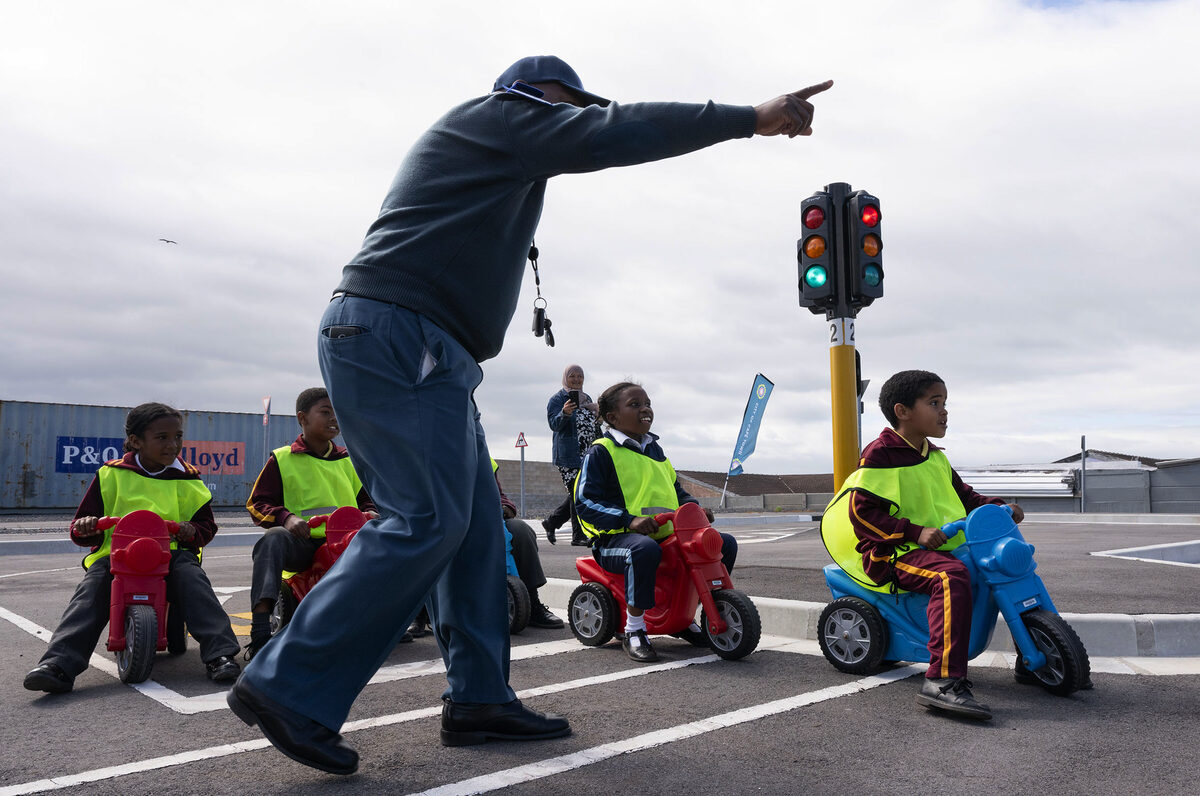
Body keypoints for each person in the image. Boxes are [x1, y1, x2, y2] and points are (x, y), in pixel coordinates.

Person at [228, 54, 832, 776]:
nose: (576, 119)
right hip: (402, 335)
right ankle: (288, 685)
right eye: (569, 106)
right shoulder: (501, 116)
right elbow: (614, 132)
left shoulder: (498, 151)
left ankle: (479, 698)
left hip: (434, 354)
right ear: (536, 96)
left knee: (478, 534)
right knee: (425, 520)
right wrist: (749, 119)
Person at [820, 370, 1026, 721]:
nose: (944, 411)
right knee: (950, 576)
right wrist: (915, 533)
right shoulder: (881, 455)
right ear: (903, 411)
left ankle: (1032, 658)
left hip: (939, 547)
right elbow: (862, 514)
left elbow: (966, 498)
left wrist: (1000, 506)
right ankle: (942, 681)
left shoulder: (935, 457)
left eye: (944, 403)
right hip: (892, 553)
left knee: (1000, 566)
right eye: (934, 403)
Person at [24, 403, 241, 694]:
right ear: (136, 441)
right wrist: (87, 526)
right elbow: (82, 524)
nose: (172, 444)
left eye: (177, 436)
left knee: (193, 581)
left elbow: (206, 527)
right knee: (91, 592)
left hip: (169, 556)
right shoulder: (111, 474)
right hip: (117, 558)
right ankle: (58, 664)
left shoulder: (189, 479)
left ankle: (221, 655)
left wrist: (191, 531)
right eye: (162, 437)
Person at [574, 382, 737, 663]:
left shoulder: (656, 451)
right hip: (615, 539)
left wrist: (696, 509)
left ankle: (685, 616)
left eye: (647, 403)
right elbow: (584, 502)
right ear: (613, 417)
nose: (645, 409)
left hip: (665, 534)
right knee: (643, 550)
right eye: (635, 405)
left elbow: (677, 492)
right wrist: (629, 521)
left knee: (723, 544)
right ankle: (634, 630)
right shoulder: (601, 452)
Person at [243, 387, 378, 660]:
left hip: (346, 543)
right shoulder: (282, 459)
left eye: (337, 414)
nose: (334, 419)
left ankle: (388, 619)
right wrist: (287, 518)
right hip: (304, 544)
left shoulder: (349, 460)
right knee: (273, 539)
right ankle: (260, 632)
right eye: (325, 412)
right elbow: (258, 504)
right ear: (302, 418)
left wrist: (371, 513)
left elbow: (367, 500)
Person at [494, 459, 564, 629]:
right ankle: (429, 611)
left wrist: (505, 507)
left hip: (485, 518)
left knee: (520, 530)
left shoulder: (482, 458)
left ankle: (531, 603)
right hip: (454, 520)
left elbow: (499, 496)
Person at [545, 364, 601, 546]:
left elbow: (592, 426)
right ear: (565, 378)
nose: (577, 379)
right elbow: (554, 425)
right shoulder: (557, 399)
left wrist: (599, 419)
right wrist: (564, 413)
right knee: (578, 493)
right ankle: (578, 536)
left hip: (588, 455)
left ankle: (552, 522)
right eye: (572, 376)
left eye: (580, 376)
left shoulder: (587, 399)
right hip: (568, 455)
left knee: (579, 492)